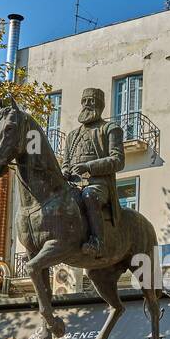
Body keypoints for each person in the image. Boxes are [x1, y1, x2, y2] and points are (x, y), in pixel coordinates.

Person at [62, 87, 125, 257]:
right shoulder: (72, 135)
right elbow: (66, 162)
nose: (87, 104)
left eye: (92, 101)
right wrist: (65, 171)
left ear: (100, 105)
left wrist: (89, 166)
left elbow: (118, 160)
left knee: (89, 196)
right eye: (85, 101)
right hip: (73, 184)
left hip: (98, 184)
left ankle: (98, 241)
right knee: (55, 201)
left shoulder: (110, 128)